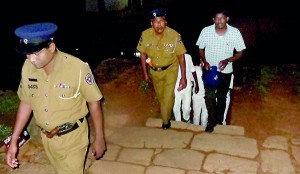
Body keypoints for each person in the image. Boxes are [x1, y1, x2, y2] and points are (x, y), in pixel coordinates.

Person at [6, 22, 106, 174]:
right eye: (28, 53)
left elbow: (94, 102)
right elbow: (26, 102)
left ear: (51, 48)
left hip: (72, 138)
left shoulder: (77, 68)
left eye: (36, 53)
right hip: (47, 138)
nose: (31, 59)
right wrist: (14, 140)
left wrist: (99, 138)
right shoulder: (28, 67)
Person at [196, 9, 246, 133]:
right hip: (209, 69)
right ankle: (212, 121)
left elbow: (240, 52)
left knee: (222, 96)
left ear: (227, 19)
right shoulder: (206, 31)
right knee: (209, 96)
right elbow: (200, 49)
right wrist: (205, 61)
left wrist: (228, 60)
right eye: (217, 18)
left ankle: (219, 121)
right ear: (213, 20)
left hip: (226, 70)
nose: (219, 21)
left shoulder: (235, 33)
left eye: (222, 18)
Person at [137, 8, 187, 129]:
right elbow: (142, 55)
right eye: (156, 22)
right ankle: (168, 114)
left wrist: (183, 78)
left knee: (168, 97)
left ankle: (165, 122)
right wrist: (145, 73)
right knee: (161, 97)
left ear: (166, 22)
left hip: (171, 69)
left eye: (161, 21)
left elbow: (181, 57)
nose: (159, 25)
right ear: (151, 23)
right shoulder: (145, 35)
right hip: (155, 71)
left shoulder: (174, 35)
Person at [173, 53, 199, 123]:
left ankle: (186, 118)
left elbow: (193, 71)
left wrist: (197, 84)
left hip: (187, 86)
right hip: (176, 85)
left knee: (186, 107)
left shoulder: (188, 57)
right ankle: (177, 122)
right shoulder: (172, 56)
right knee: (176, 107)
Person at [191, 63, 208, 127]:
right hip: (198, 96)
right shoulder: (195, 69)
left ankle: (197, 131)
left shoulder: (195, 69)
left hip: (202, 96)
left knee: (199, 117)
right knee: (200, 117)